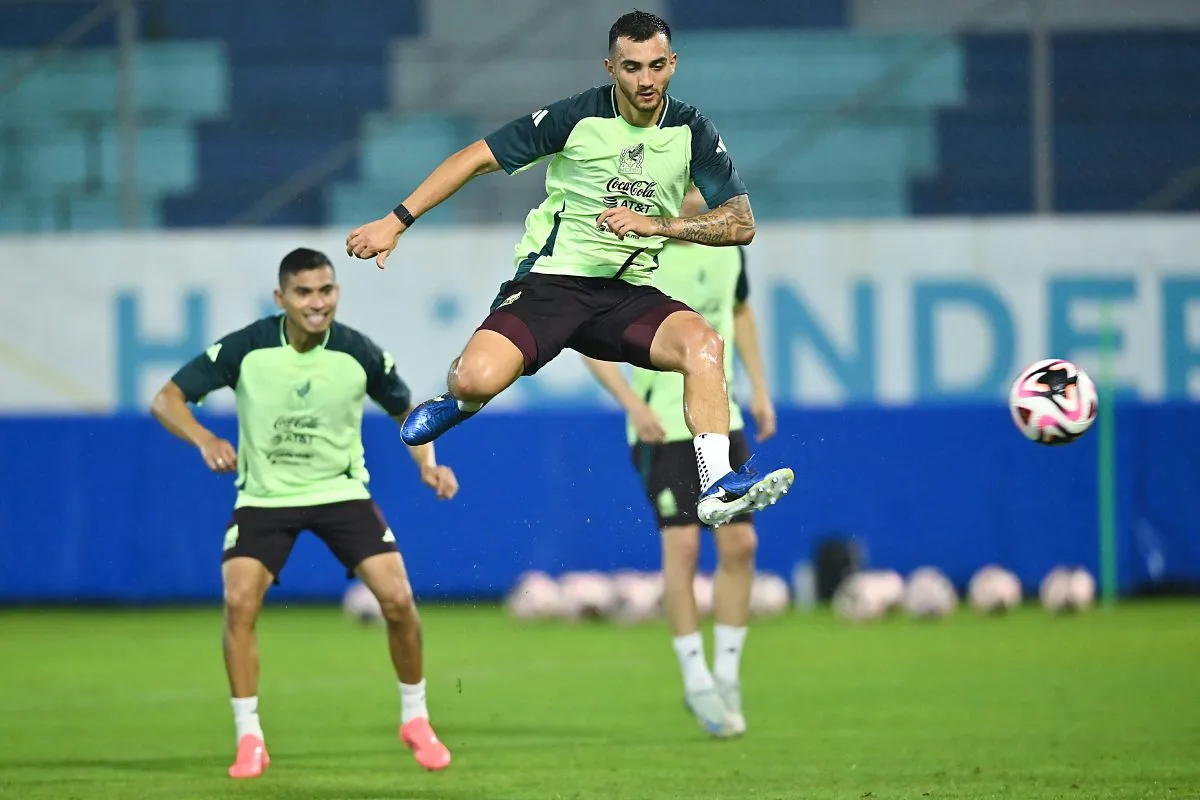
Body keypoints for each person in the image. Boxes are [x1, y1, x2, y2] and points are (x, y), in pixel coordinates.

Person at [345, 10, 793, 528]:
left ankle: (716, 487)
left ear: (673, 64)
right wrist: (397, 220)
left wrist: (658, 226)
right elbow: (475, 157)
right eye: (631, 67)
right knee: (475, 379)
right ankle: (460, 402)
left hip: (625, 292)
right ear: (610, 67)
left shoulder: (692, 131)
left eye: (655, 66)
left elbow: (741, 223)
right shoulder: (576, 117)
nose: (645, 80)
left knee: (705, 345)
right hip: (550, 285)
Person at [149, 248, 458, 778]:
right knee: (239, 602)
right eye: (305, 293)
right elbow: (167, 399)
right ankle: (250, 737)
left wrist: (428, 464)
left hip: (341, 493)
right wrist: (203, 439)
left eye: (327, 290)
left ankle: (416, 718)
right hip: (265, 500)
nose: (318, 303)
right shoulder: (246, 348)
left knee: (399, 599)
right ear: (281, 298)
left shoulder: (358, 351)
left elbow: (407, 411)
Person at [583, 186, 776, 737]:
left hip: (722, 419)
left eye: (699, 184)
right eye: (686, 184)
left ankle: (728, 673)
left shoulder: (727, 248)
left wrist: (760, 390)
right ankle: (695, 679)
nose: (695, 194)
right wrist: (631, 402)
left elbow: (739, 312)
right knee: (685, 544)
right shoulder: (639, 255)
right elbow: (590, 339)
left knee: (741, 543)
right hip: (661, 424)